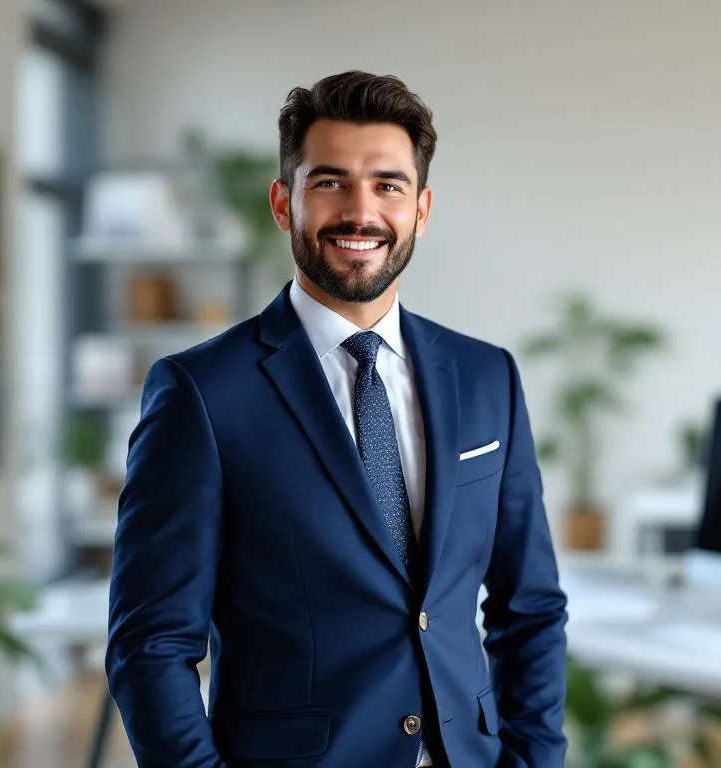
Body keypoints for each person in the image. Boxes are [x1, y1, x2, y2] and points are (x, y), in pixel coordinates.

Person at [106, 70, 568, 768]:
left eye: (388, 185)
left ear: (422, 208)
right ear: (283, 202)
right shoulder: (202, 394)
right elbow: (152, 645)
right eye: (329, 182)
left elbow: (527, 608)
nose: (361, 212)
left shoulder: (486, 378)